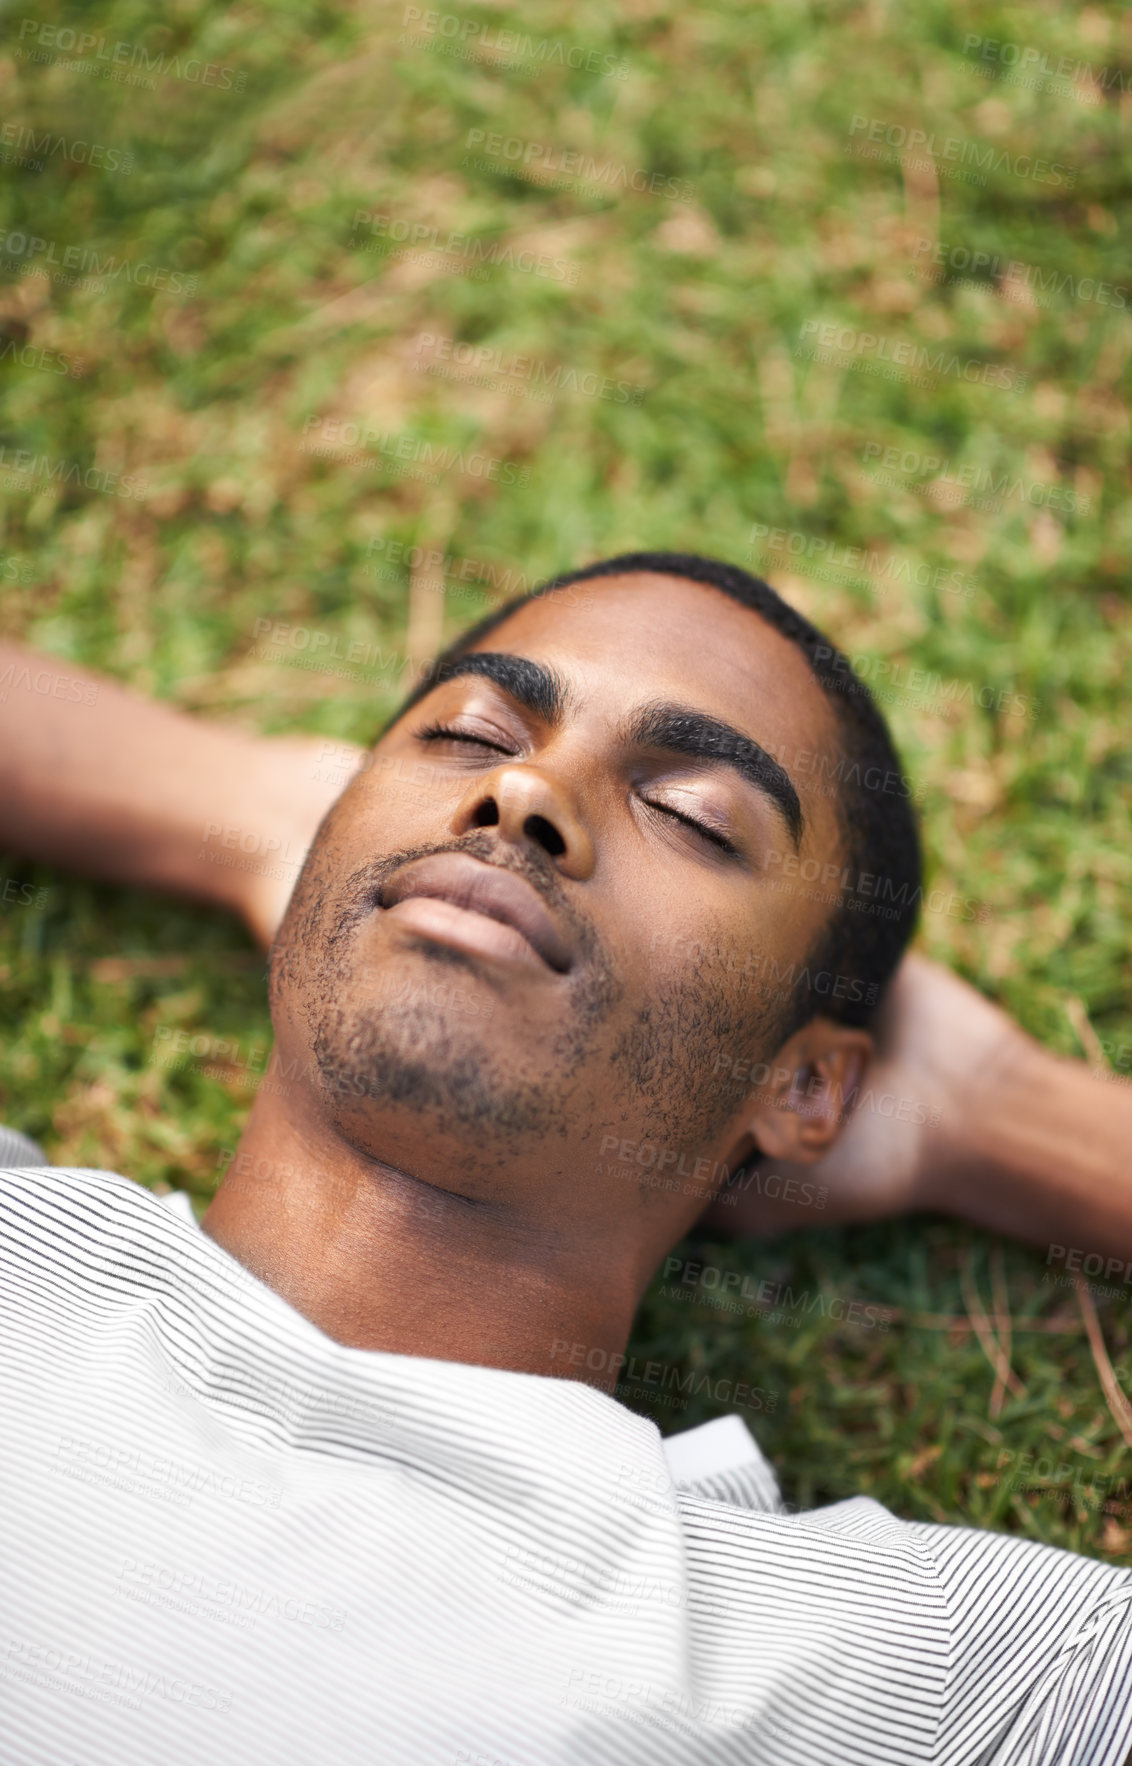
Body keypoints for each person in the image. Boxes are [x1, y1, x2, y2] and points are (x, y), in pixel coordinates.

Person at [1, 551, 1129, 1765]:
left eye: (692, 813)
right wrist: (270, 826)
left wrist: (995, 1112)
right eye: (470, 734)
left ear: (803, 1082)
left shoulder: (916, 1672)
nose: (528, 786)